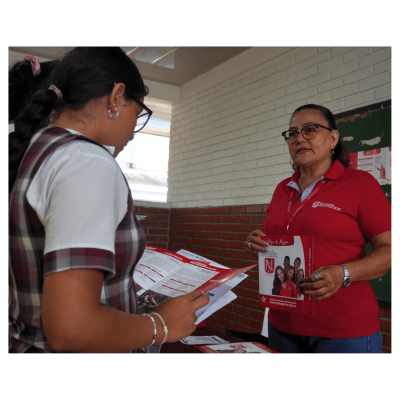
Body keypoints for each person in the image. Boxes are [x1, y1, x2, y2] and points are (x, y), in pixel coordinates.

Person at [8, 47, 209, 354]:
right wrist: (160, 325)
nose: (133, 132)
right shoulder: (85, 160)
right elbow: (73, 328)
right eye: (138, 115)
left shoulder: (38, 147)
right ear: (116, 97)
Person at [245, 104, 391, 354]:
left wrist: (343, 273)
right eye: (292, 133)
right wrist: (256, 242)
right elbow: (276, 241)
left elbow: (389, 250)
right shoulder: (283, 188)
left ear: (333, 138)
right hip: (283, 326)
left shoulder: (360, 184)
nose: (299, 138)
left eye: (310, 129)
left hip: (342, 332)